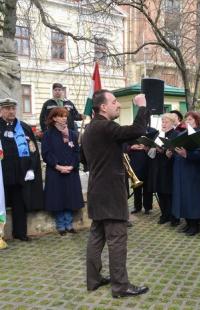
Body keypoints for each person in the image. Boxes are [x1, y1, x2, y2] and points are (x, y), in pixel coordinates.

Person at [81, 90, 149, 298]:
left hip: (96, 190)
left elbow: (84, 160)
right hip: (111, 193)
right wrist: (143, 106)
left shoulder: (89, 129)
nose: (118, 105)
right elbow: (137, 129)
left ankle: (93, 280)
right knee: (117, 239)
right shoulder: (106, 126)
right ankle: (120, 286)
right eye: (114, 102)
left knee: (96, 236)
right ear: (103, 107)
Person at [0, 98, 43, 241]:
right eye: (7, 108)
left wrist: (31, 168)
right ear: (1, 110)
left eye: (13, 108)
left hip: (19, 174)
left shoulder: (23, 127)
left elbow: (32, 150)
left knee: (20, 205)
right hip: (2, 176)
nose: (11, 111)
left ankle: (20, 233)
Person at [41, 107, 83, 235]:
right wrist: (58, 166)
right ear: (54, 118)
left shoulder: (72, 134)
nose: (65, 118)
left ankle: (69, 224)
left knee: (69, 197)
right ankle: (61, 225)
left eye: (65, 115)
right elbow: (46, 154)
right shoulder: (48, 134)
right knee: (58, 198)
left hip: (70, 170)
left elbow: (77, 152)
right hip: (55, 171)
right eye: (61, 115)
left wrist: (71, 166)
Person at [172, 111, 200, 236]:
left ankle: (195, 225)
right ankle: (188, 223)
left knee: (193, 198)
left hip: (193, 170)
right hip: (181, 168)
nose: (188, 122)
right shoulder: (182, 133)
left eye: (190, 120)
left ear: (197, 121)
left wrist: (187, 155)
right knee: (183, 196)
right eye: (186, 120)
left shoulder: (199, 135)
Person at [147, 113, 179, 225]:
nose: (163, 124)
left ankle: (174, 217)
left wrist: (165, 152)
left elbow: (177, 151)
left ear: (172, 123)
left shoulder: (176, 134)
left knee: (170, 193)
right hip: (159, 166)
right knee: (161, 191)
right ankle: (164, 215)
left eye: (166, 122)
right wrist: (152, 148)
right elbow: (152, 150)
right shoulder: (159, 134)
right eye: (162, 122)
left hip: (170, 168)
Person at [127, 127, 157, 215]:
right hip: (135, 162)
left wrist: (147, 146)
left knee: (147, 187)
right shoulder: (131, 131)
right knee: (137, 187)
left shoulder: (151, 130)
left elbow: (154, 144)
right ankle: (137, 206)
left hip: (147, 162)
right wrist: (132, 147)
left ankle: (147, 207)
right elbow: (125, 145)